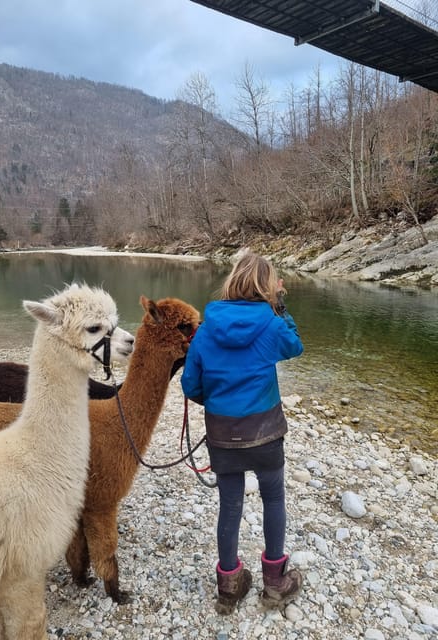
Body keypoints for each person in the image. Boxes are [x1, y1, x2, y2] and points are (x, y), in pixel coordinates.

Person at [181, 251, 304, 615]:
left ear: (233, 279)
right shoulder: (272, 323)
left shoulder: (206, 330)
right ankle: (276, 583)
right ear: (268, 287)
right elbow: (295, 345)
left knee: (230, 506)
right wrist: (279, 305)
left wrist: (216, 399)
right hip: (266, 433)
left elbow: (191, 386)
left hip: (223, 436)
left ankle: (229, 587)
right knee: (274, 500)